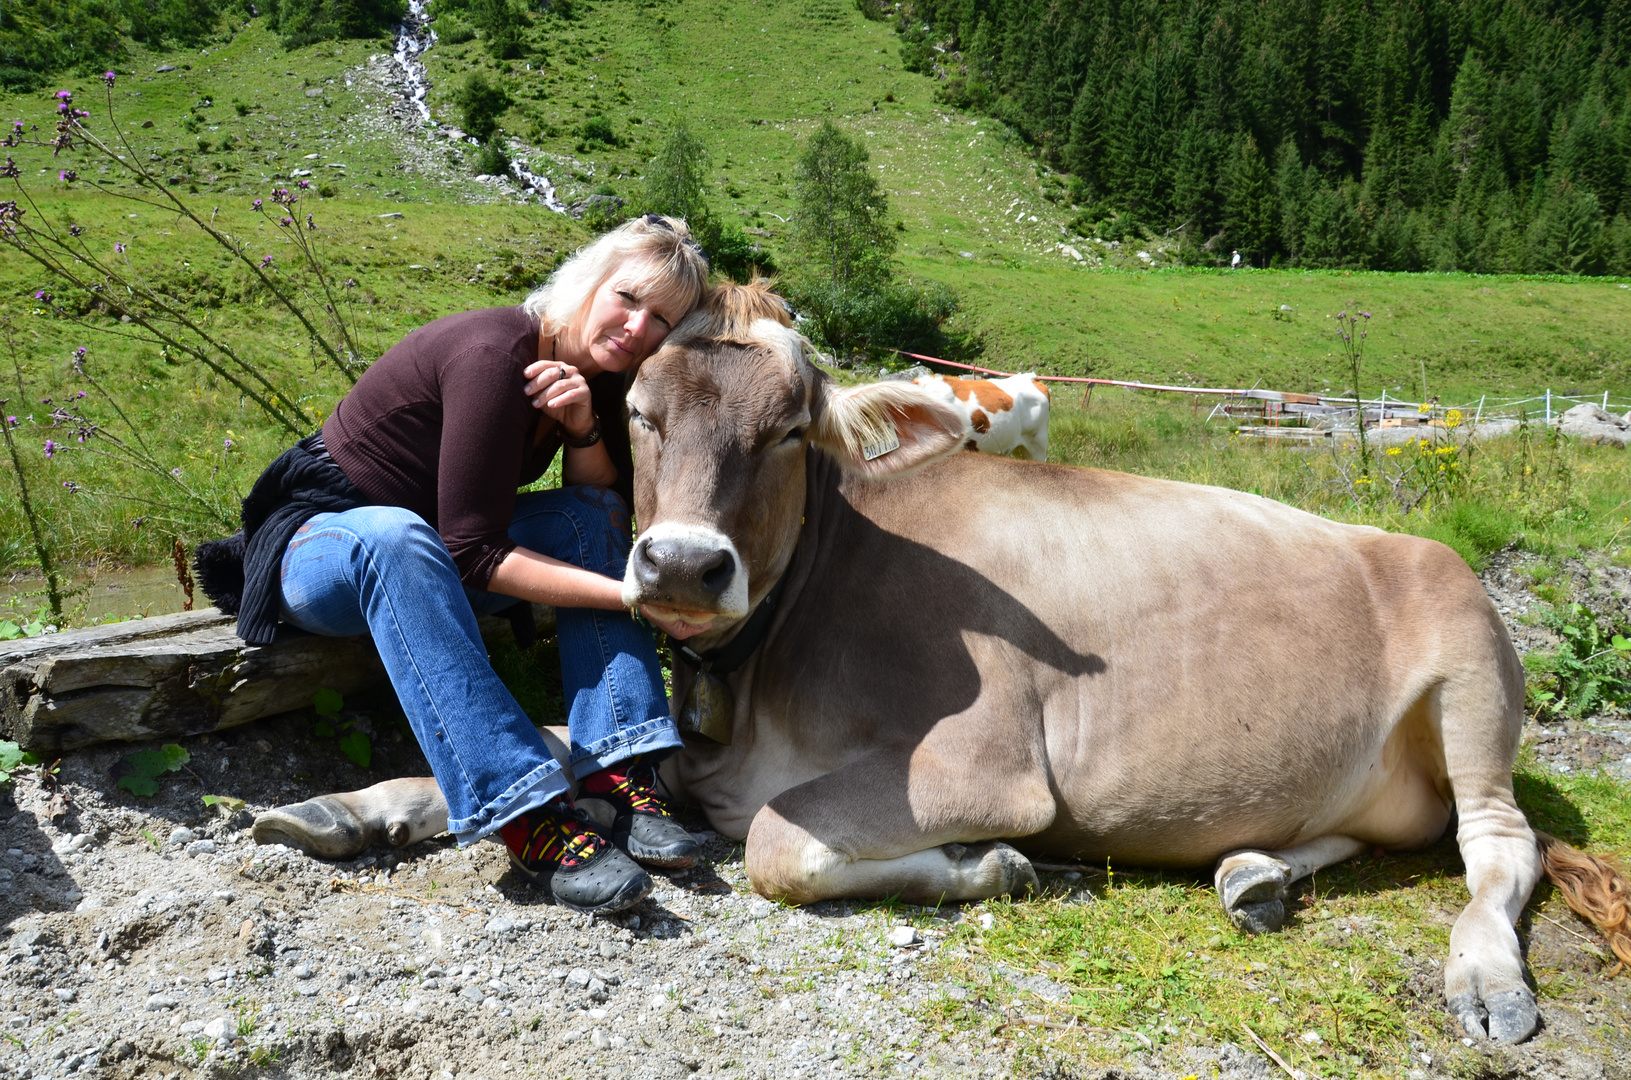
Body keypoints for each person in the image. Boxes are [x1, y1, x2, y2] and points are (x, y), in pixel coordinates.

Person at [213, 215, 710, 915]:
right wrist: (630, 596)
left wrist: (582, 429)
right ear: (588, 280)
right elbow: (471, 552)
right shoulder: (492, 351)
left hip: (428, 568)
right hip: (321, 552)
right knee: (396, 535)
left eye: (660, 318)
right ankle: (522, 810)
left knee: (582, 516)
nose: (636, 326)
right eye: (627, 298)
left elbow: (596, 502)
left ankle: (618, 769)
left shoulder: (590, 374)